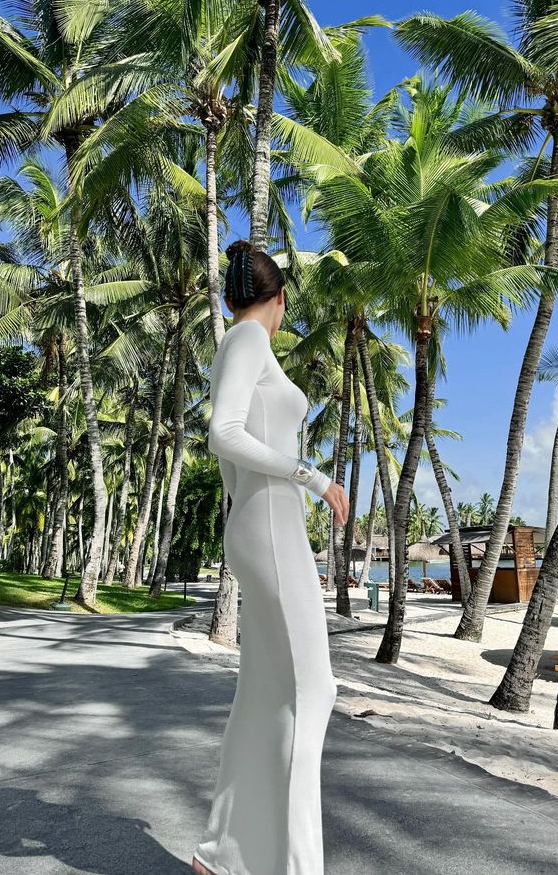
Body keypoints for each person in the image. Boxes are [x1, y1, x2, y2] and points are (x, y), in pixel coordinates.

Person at [192, 240, 349, 875]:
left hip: (263, 524)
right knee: (313, 690)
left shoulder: (238, 343)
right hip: (270, 526)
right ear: (279, 299)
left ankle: (223, 854)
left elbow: (233, 446)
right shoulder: (249, 340)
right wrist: (312, 476)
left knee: (264, 692)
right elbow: (223, 434)